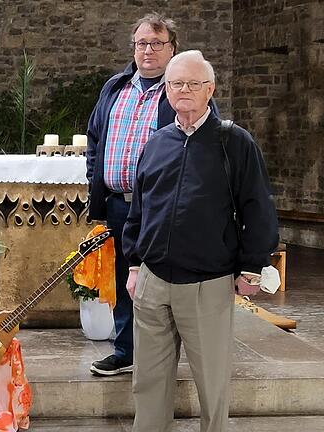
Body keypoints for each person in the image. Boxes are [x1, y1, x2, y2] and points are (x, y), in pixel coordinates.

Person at [122, 50, 278, 432]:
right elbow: (139, 209)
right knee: (148, 382)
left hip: (207, 282)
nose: (184, 90)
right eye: (176, 84)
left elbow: (258, 206)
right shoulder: (157, 143)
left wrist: (252, 268)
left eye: (194, 83)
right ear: (166, 92)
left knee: (212, 383)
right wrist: (133, 264)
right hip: (153, 280)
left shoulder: (233, 142)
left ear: (210, 89)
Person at [86, 12, 218, 376]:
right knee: (123, 278)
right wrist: (94, 180)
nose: (148, 50)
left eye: (157, 43)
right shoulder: (115, 88)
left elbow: (204, 147)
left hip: (162, 209)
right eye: (142, 43)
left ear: (171, 48)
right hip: (117, 203)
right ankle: (125, 350)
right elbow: (95, 137)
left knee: (160, 281)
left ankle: (161, 356)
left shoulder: (182, 88)